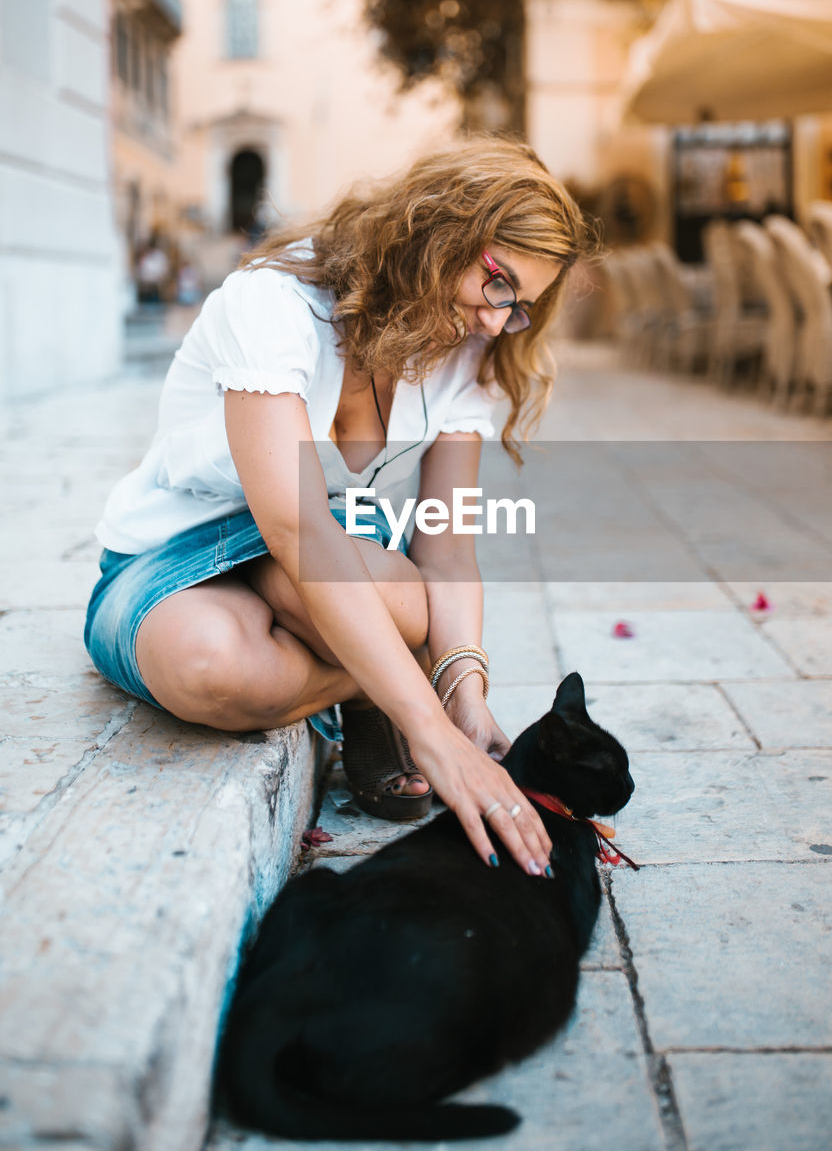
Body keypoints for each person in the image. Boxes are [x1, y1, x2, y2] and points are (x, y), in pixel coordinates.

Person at [84, 136, 596, 877]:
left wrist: (465, 692)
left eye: (518, 308)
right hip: (178, 560)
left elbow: (446, 548)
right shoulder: (273, 304)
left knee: (408, 601)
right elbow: (294, 524)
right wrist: (429, 727)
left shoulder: (464, 359)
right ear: (438, 228)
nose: (495, 322)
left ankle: (371, 671)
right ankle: (371, 689)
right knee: (206, 665)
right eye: (498, 285)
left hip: (320, 562)